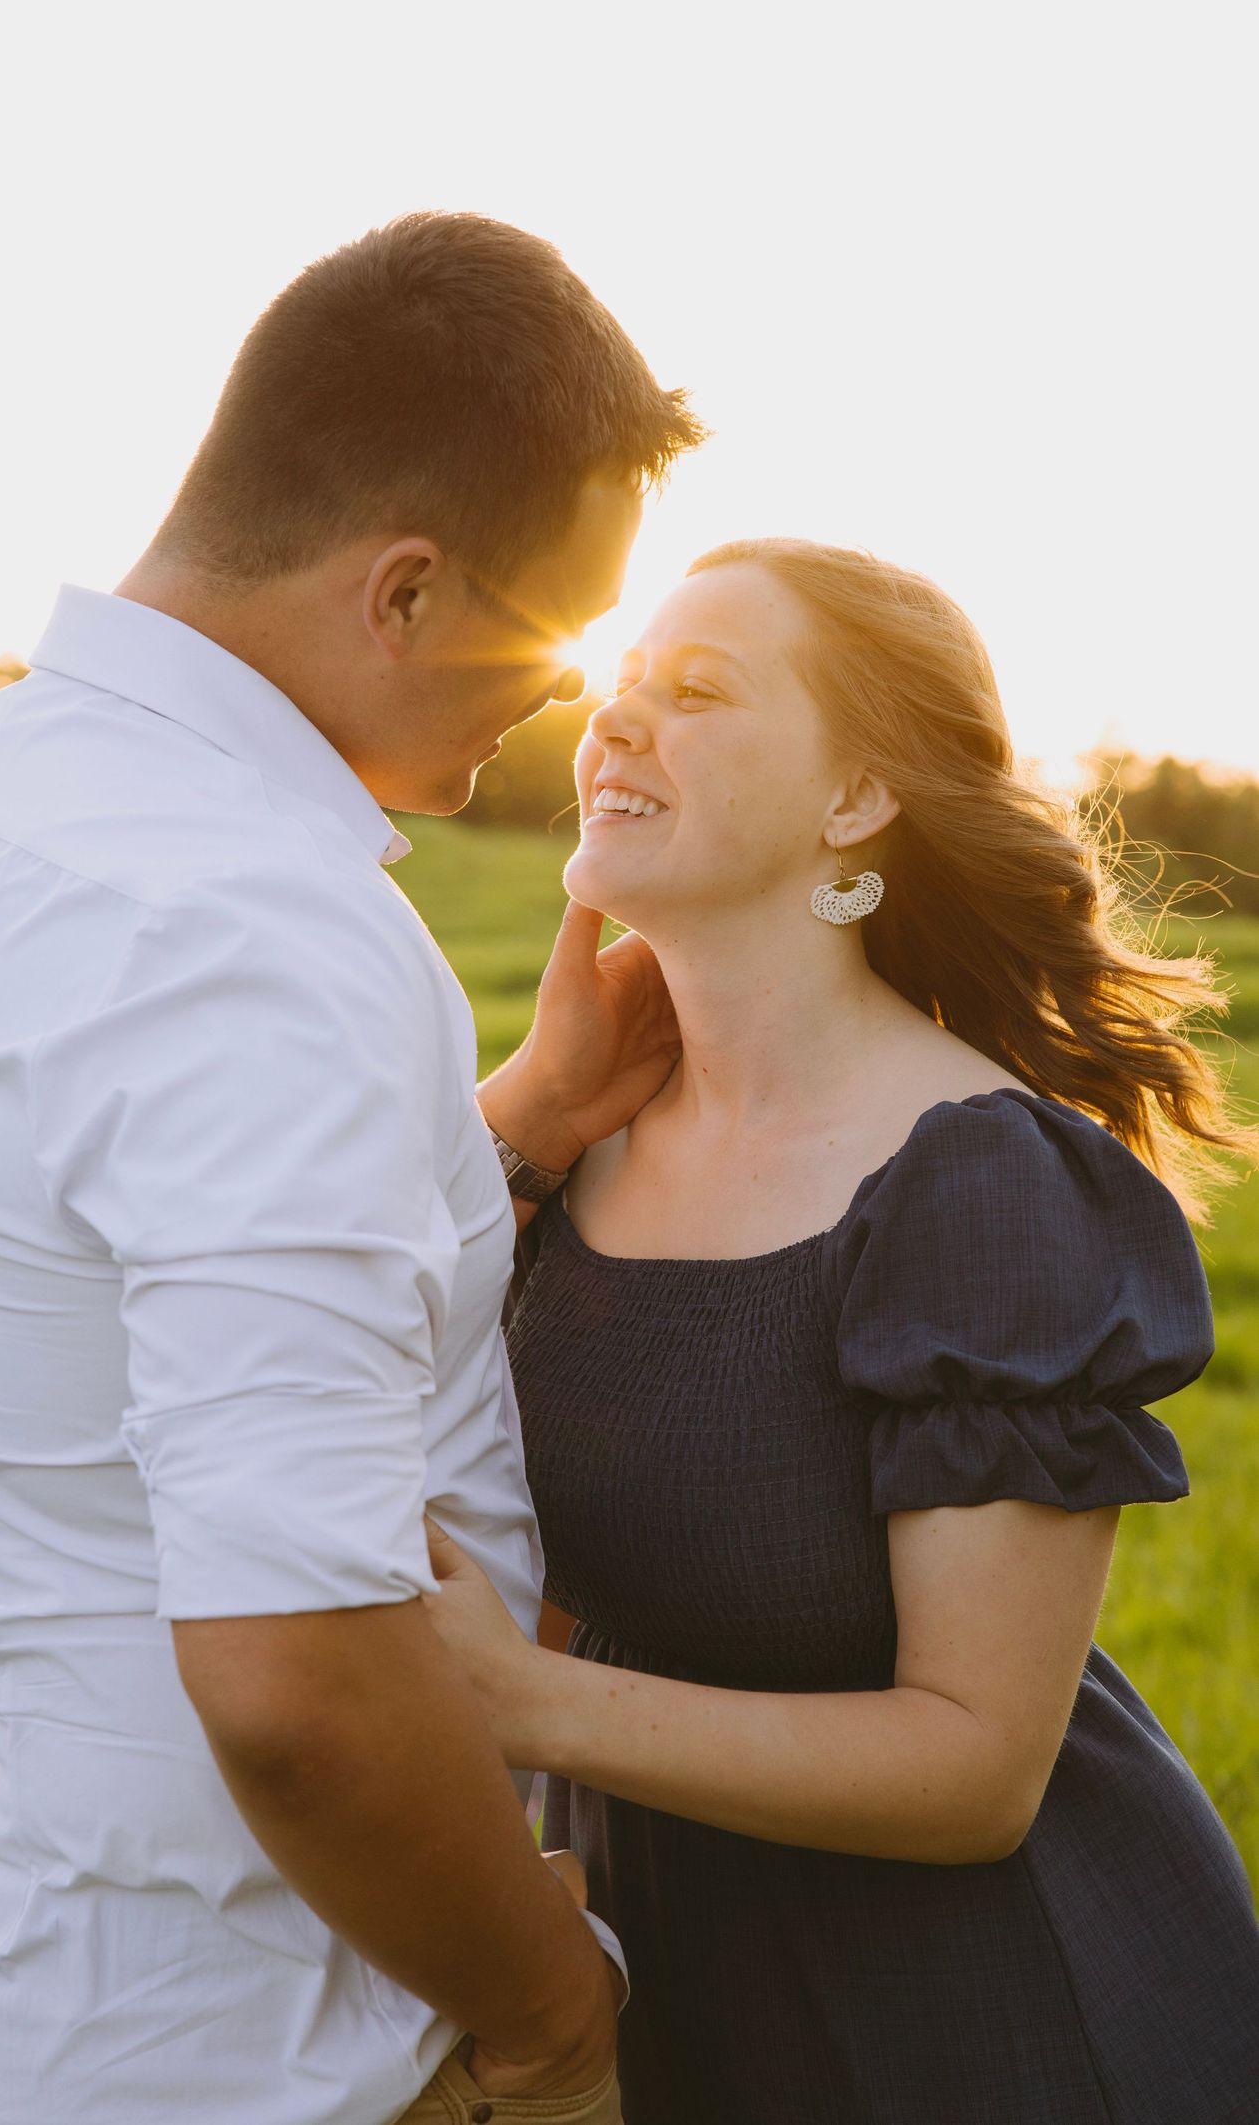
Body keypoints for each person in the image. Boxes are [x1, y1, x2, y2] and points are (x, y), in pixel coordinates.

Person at [0, 212, 700, 2125]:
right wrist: (551, 2020)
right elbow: (299, 1678)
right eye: (544, 645)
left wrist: (523, 1119)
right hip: (288, 2040)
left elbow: (133, 1283)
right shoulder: (254, 928)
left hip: (34, 1963)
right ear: (402, 593)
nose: (559, 704)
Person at [421, 537, 1259, 2123]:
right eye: (620, 687)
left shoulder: (979, 1181)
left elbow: (977, 1768)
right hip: (668, 1982)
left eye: (700, 691)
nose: (617, 724)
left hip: (969, 2020)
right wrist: (523, 1118)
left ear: (856, 800)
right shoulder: (581, 1129)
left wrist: (532, 1705)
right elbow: (337, 1324)